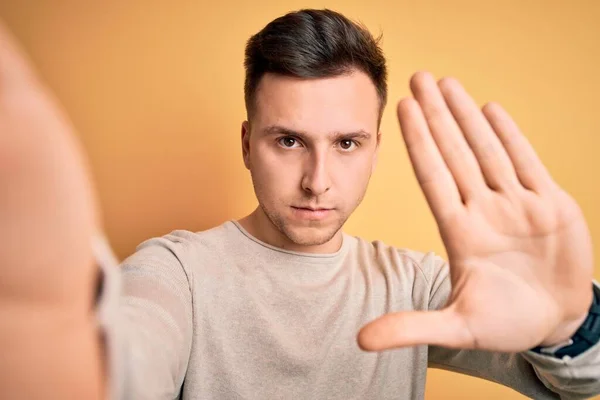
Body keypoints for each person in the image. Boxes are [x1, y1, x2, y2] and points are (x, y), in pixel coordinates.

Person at [1, 8, 599, 400]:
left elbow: (580, 383)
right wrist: (53, 334)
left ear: (375, 150)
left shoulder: (414, 284)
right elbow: (130, 361)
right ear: (247, 144)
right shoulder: (177, 273)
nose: (318, 180)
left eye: (346, 144)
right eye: (289, 141)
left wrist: (570, 323)